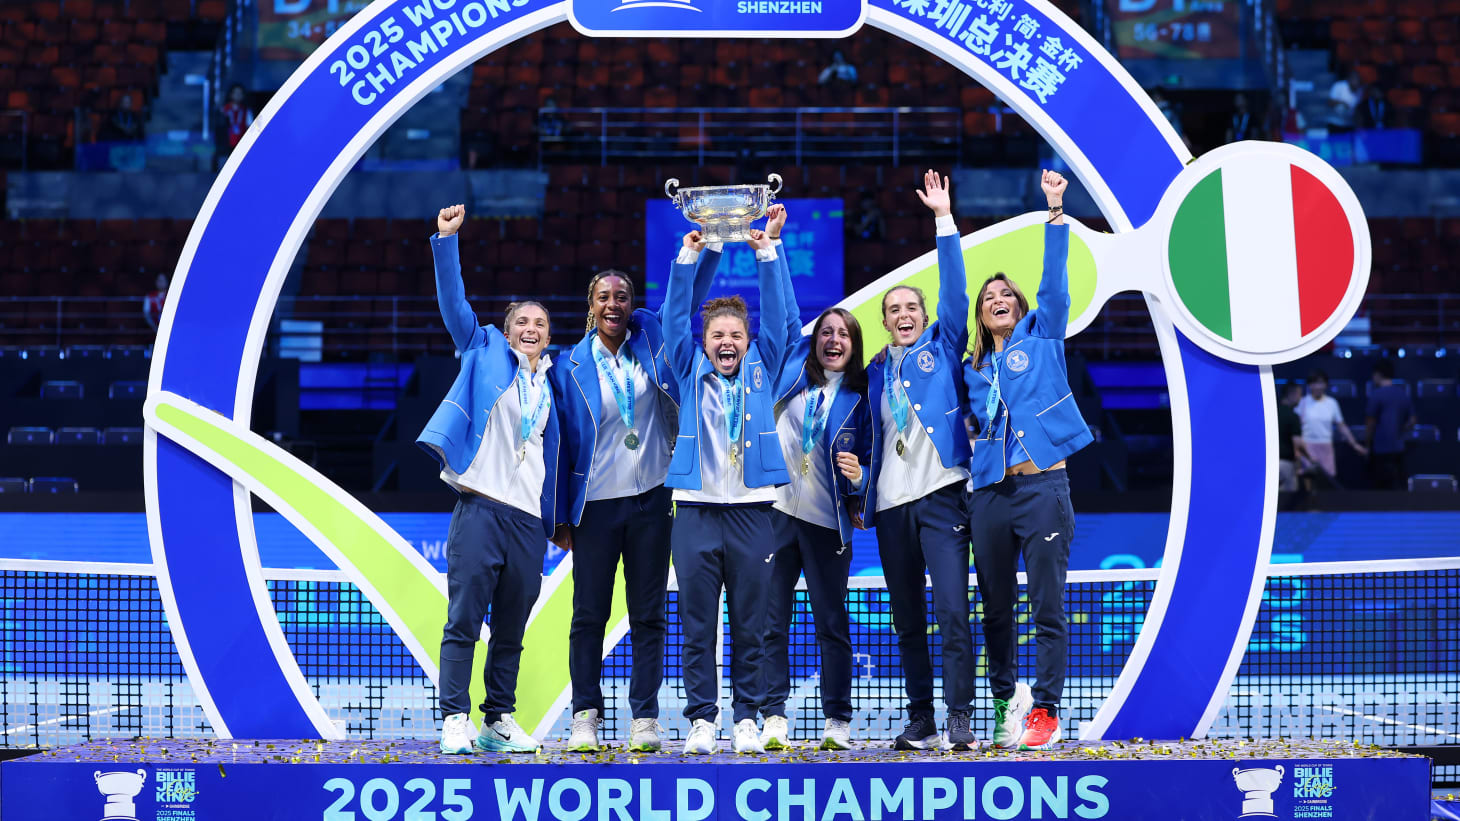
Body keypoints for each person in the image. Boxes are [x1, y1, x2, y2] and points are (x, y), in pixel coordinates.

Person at [551, 239, 722, 753]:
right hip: (595, 508)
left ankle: (644, 717)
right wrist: (558, 516)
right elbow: (559, 446)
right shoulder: (567, 367)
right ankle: (584, 716)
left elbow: (687, 299)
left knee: (648, 615)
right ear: (591, 305)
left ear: (632, 305)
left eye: (622, 296)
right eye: (604, 297)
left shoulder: (651, 340)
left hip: (651, 501)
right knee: (589, 616)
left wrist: (706, 246)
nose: (613, 304)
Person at [418, 204, 562, 756]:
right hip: (480, 508)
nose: (530, 329)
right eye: (522, 322)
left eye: (539, 324)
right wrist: (446, 241)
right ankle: (454, 717)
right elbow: (454, 304)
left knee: (511, 629)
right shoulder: (481, 351)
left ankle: (497, 720)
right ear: (506, 332)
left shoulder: (552, 384)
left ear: (548, 337)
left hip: (527, 522)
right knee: (463, 620)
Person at [963, 170, 1090, 752]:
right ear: (981, 314)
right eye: (988, 298)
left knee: (1047, 607)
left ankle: (1045, 710)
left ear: (1019, 307)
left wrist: (1056, 212)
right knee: (994, 609)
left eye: (1006, 296)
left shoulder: (1043, 340)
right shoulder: (971, 368)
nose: (998, 301)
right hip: (990, 493)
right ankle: (1003, 703)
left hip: (1043, 490)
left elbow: (1054, 287)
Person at [662, 225, 791, 755]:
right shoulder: (688, 367)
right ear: (705, 340)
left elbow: (779, 320)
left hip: (753, 513)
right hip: (694, 512)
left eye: (736, 334)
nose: (727, 343)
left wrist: (767, 252)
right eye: (717, 335)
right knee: (697, 626)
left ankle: (747, 718)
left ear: (747, 340)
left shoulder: (764, 366)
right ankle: (701, 719)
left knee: (751, 624)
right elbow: (673, 319)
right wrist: (686, 257)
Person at [863, 169, 978, 752]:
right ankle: (921, 719)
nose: (904, 314)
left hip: (942, 499)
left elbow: (956, 293)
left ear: (924, 314)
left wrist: (943, 220)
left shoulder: (943, 348)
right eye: (894, 309)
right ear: (884, 322)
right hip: (890, 509)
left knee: (953, 611)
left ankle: (959, 717)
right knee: (907, 619)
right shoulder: (873, 373)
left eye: (912, 306)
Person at [760, 204, 872, 752]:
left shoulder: (862, 398)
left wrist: (862, 477)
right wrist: (774, 247)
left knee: (831, 624)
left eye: (843, 333)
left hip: (829, 524)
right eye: (825, 331)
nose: (832, 339)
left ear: (853, 345)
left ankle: (837, 722)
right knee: (771, 623)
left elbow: (873, 462)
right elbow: (783, 312)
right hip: (778, 517)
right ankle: (773, 717)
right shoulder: (790, 372)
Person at [1297, 369, 1366, 485]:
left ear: (1326, 385)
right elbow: (1296, 428)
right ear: (1310, 385)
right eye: (1314, 383)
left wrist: (1354, 444)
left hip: (1326, 447)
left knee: (1327, 482)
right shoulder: (1303, 402)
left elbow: (1341, 426)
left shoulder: (1332, 403)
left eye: (1321, 383)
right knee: (1308, 481)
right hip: (1307, 448)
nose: (1318, 386)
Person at [1364, 360, 1414, 490]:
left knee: (1381, 488)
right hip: (1399, 447)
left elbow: (1370, 423)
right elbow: (1412, 420)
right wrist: (1400, 430)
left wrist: (1367, 444)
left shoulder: (1376, 394)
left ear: (1378, 374)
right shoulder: (1403, 394)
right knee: (1399, 486)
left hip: (1380, 449)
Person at [1277, 382, 1309, 492]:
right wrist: (1310, 457)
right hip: (1286, 464)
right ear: (1292, 395)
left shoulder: (1269, 414)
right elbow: (1298, 442)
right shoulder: (1293, 416)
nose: (1300, 398)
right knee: (1287, 497)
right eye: (1299, 394)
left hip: (1267, 464)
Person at [220, 84, 254, 152]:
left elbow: (250, 128)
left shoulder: (246, 111)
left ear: (243, 96)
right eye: (236, 93)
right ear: (231, 94)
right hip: (226, 144)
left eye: (240, 93)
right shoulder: (224, 109)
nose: (238, 95)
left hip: (241, 144)